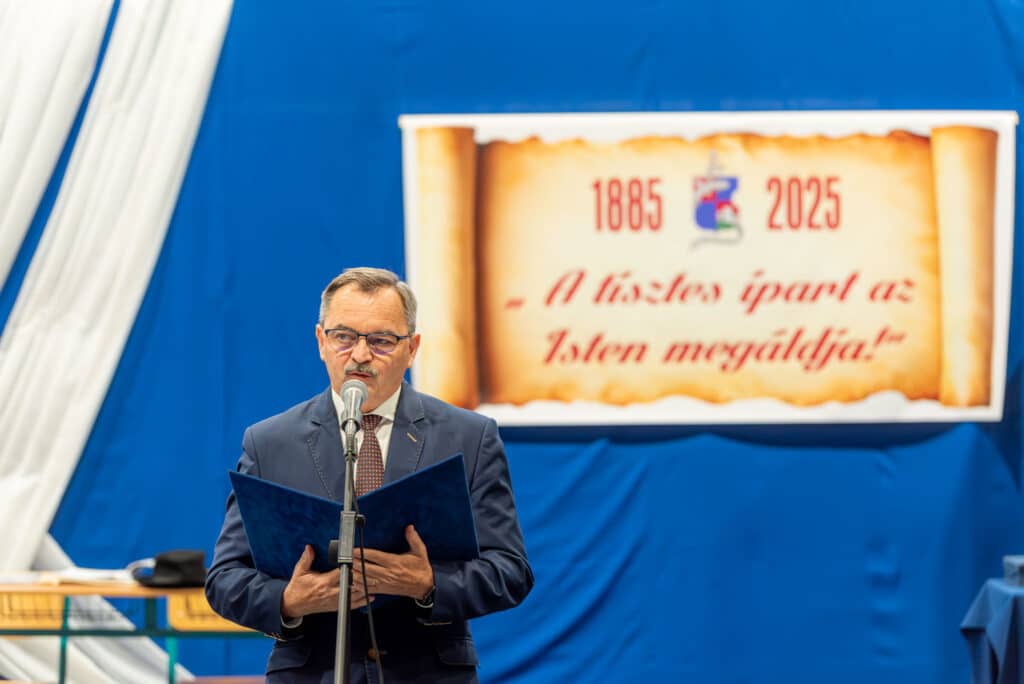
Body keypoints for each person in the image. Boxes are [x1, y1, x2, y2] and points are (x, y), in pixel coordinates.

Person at [206, 267, 533, 683]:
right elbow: (225, 580)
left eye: (381, 340)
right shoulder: (270, 443)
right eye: (344, 337)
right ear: (321, 341)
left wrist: (428, 584)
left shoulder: (468, 437)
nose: (360, 354)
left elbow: (509, 571)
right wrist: (288, 600)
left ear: (411, 349)